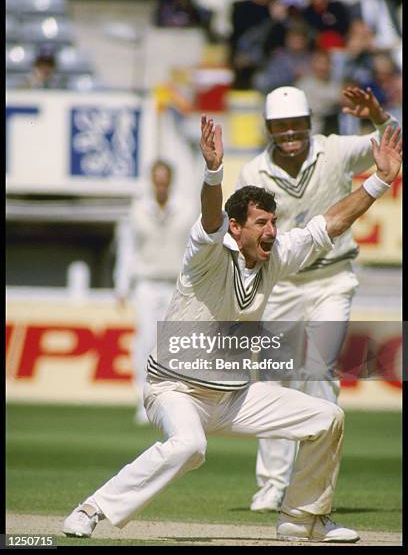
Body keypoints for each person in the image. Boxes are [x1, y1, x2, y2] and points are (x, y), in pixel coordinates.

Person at [63, 115, 401, 543]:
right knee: (190, 446)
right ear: (235, 228)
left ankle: (303, 519)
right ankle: (92, 509)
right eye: (261, 223)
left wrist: (378, 184)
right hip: (175, 389)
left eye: (273, 222)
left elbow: (328, 224)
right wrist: (213, 172)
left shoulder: (276, 253)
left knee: (327, 417)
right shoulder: (206, 254)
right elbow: (209, 217)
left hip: (235, 396)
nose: (272, 231)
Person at [236, 85, 399, 512]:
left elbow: (392, 144)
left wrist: (379, 115)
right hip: (282, 285)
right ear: (269, 128)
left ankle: (313, 487)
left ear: (309, 123)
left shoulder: (336, 151)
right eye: (280, 126)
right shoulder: (254, 171)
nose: (289, 133)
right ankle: (272, 484)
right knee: (274, 379)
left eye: (296, 124)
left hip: (332, 279)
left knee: (319, 373)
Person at [114, 160, 194, 423]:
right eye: (156, 181)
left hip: (176, 284)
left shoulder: (187, 208)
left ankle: (170, 401)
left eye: (164, 181)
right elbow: (128, 249)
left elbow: (196, 247)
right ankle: (143, 401)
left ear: (170, 181)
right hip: (146, 283)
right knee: (146, 341)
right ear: (151, 181)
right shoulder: (138, 210)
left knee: (172, 345)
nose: (161, 186)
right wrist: (122, 285)